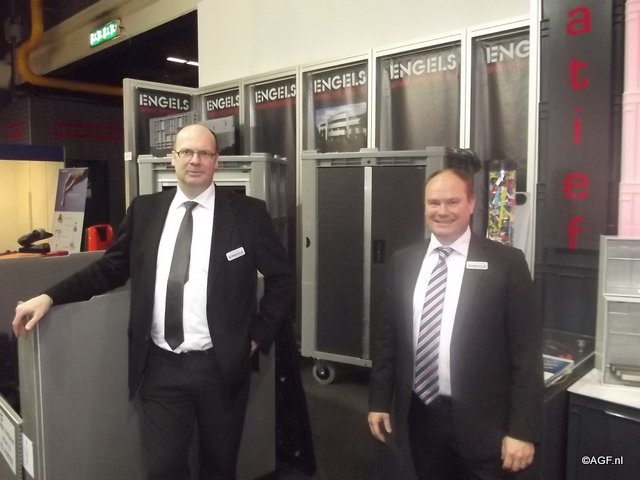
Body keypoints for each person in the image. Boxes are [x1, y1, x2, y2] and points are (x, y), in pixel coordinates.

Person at [12, 124, 295, 480]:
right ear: (172, 159)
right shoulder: (145, 211)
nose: (195, 160)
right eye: (186, 152)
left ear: (216, 162)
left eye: (204, 153)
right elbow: (109, 269)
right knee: (164, 468)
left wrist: (256, 336)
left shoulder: (248, 214)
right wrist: (50, 296)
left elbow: (282, 279)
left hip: (221, 367)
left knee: (220, 468)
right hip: (161, 367)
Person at [368, 168, 543, 479]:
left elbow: (527, 354)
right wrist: (379, 401)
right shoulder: (404, 261)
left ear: (471, 203)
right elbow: (387, 339)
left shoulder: (507, 263)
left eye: (452, 202)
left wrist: (523, 430)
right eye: (434, 202)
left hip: (485, 424)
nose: (442, 211)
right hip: (421, 414)